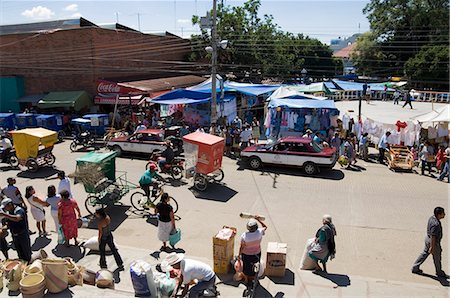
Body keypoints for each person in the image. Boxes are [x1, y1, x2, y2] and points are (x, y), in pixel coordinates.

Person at [412, 207, 448, 278]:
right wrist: (432, 247)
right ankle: (439, 272)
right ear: (439, 214)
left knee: (425, 253)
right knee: (437, 257)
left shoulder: (431, 218)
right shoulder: (436, 224)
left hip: (427, 239)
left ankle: (415, 267)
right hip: (433, 242)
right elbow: (433, 236)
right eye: (443, 213)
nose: (444, 214)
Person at [238, 216, 267, 291]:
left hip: (246, 255)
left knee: (247, 267)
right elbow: (265, 227)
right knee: (255, 266)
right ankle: (254, 279)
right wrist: (258, 219)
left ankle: (248, 281)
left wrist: (239, 255)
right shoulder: (260, 232)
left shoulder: (244, 236)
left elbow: (241, 247)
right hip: (257, 253)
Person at [0, 198, 31, 262]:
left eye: (5, 207)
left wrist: (4, 214)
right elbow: (9, 224)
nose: (5, 209)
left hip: (22, 235)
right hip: (15, 236)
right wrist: (4, 228)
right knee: (20, 253)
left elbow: (17, 218)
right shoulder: (9, 212)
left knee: (26, 253)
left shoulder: (19, 210)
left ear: (10, 204)